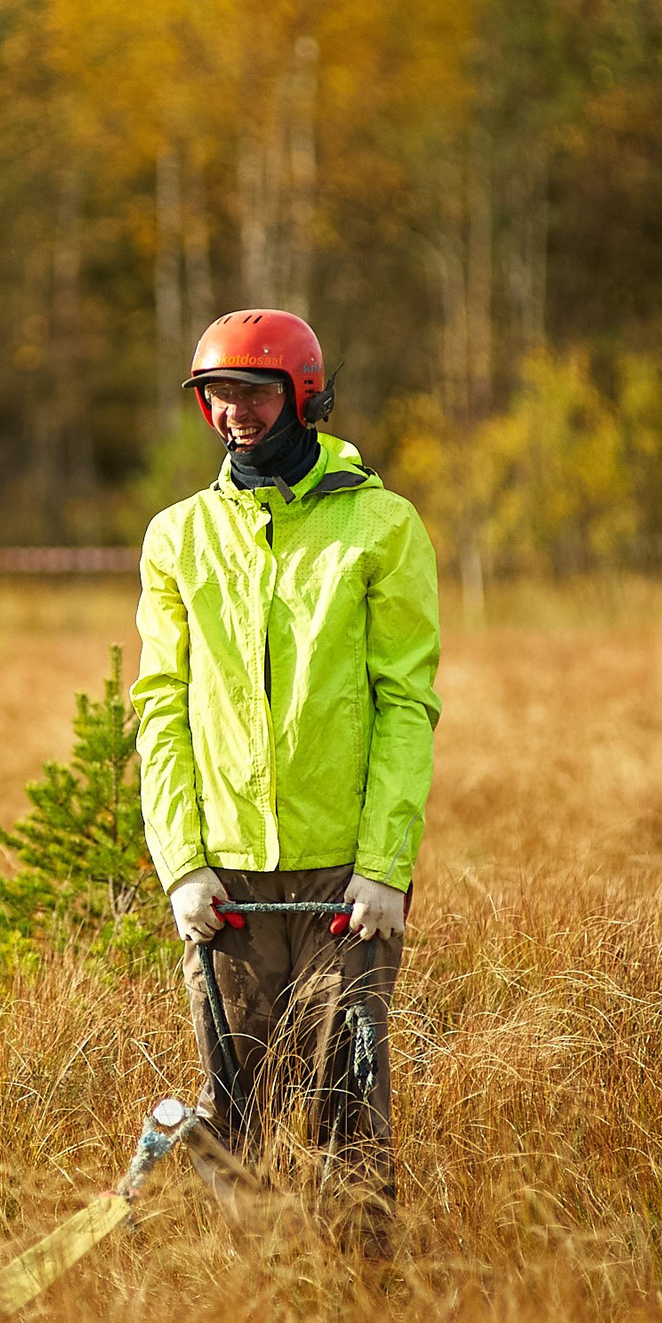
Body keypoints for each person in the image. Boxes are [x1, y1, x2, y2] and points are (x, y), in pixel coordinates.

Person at [129, 308, 442, 1257]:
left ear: (302, 395)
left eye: (254, 392)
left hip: (346, 888)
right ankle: (261, 1307)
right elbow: (161, 710)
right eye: (215, 394)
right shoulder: (176, 538)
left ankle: (361, 1306)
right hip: (225, 889)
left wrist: (385, 867)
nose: (232, 413)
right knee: (237, 1120)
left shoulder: (382, 526)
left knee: (352, 1117)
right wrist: (182, 865)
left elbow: (406, 705)